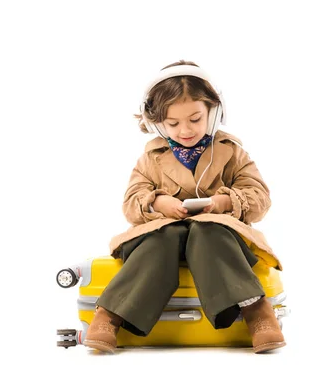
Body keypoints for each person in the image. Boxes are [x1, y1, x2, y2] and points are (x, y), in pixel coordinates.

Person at [83, 60, 286, 354]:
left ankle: (256, 312)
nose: (185, 130)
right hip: (161, 234)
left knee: (207, 232)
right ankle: (109, 315)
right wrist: (156, 202)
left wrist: (226, 201)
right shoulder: (150, 158)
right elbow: (131, 202)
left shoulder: (232, 153)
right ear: (157, 122)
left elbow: (259, 196)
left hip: (219, 238)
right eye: (173, 123)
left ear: (214, 113)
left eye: (195, 119)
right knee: (160, 239)